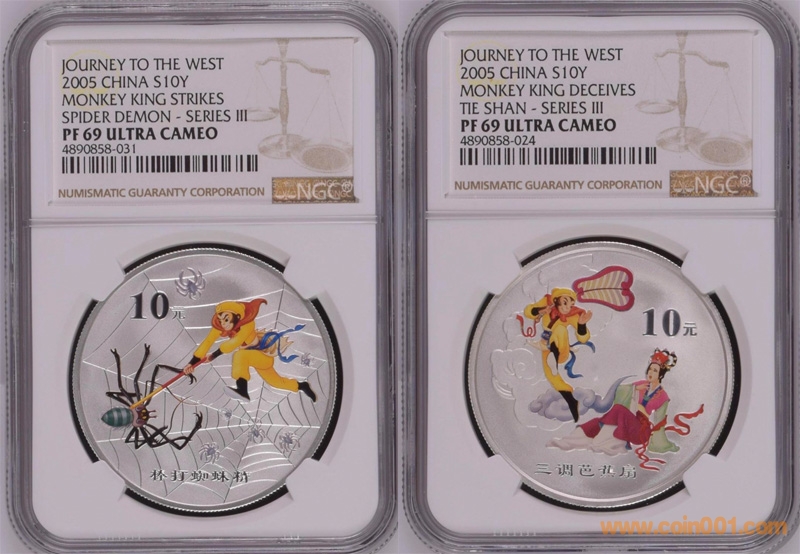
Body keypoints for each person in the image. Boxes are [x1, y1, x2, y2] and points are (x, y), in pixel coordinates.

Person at [183, 299, 316, 402]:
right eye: (221, 320)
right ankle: (302, 386)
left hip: (262, 355)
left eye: (226, 319)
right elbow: (207, 342)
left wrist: (213, 355)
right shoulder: (224, 327)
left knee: (240, 355)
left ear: (237, 316)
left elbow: (234, 343)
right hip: (251, 357)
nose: (223, 323)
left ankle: (242, 390)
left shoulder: (248, 324)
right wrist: (192, 363)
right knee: (276, 382)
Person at [547, 349, 675, 455]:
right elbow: (620, 390)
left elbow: (659, 423)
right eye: (650, 369)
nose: (650, 372)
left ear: (661, 375)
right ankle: (569, 441)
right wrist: (634, 389)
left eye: (655, 370)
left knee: (618, 410)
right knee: (598, 422)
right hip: (626, 419)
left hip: (641, 430)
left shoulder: (663, 396)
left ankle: (603, 442)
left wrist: (642, 410)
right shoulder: (640, 385)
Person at [523, 287, 592, 421]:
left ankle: (553, 360)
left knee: (560, 329)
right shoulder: (547, 303)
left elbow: (583, 338)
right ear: (556, 300)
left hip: (561, 349)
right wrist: (541, 310)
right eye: (565, 303)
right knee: (554, 379)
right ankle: (572, 402)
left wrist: (581, 325)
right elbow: (528, 311)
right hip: (547, 349)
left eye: (571, 305)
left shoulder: (573, 315)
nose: (567, 308)